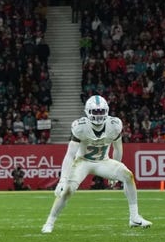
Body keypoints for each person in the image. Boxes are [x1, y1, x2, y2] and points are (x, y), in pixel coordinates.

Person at [41, 95, 151, 234]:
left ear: (106, 111)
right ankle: (49, 222)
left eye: (101, 111)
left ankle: (134, 217)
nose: (99, 115)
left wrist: (114, 175)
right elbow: (70, 155)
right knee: (67, 190)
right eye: (95, 112)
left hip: (103, 161)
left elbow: (117, 149)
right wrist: (63, 180)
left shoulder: (114, 125)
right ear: (88, 112)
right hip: (83, 161)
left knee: (128, 176)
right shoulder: (80, 127)